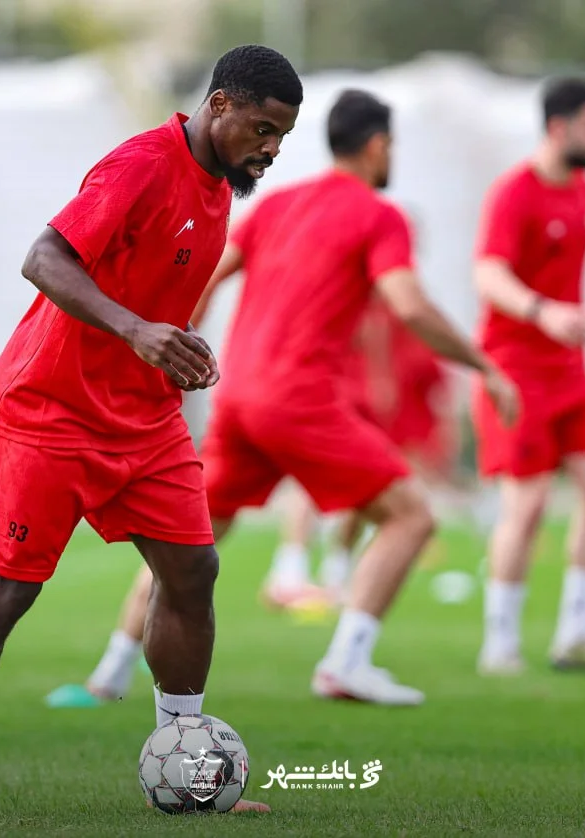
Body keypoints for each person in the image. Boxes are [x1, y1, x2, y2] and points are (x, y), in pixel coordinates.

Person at [0, 44, 302, 817]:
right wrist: (139, 331)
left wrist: (179, 347)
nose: (272, 147)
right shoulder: (140, 166)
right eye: (263, 128)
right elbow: (42, 258)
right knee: (13, 587)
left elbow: (156, 292)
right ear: (219, 105)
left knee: (194, 571)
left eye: (282, 135)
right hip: (48, 411)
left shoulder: (219, 187)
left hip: (144, 419)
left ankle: (186, 772)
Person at [200, 88, 518, 706]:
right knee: (412, 517)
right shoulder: (379, 215)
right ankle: (345, 663)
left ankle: (110, 672)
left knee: (193, 539)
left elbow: (210, 272)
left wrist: (174, 345)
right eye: (391, 145)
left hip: (235, 396)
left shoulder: (277, 203)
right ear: (376, 146)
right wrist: (484, 364)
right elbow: (408, 306)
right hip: (296, 399)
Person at [471, 75, 585, 677]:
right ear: (559, 128)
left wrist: (565, 321)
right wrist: (544, 312)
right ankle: (499, 645)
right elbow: (488, 274)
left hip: (570, 372)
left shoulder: (584, 190)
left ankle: (576, 636)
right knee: (528, 505)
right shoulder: (514, 192)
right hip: (517, 369)